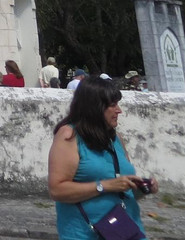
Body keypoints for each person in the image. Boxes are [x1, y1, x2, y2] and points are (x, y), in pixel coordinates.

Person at [48, 76, 159, 239]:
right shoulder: (69, 136)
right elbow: (57, 190)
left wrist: (141, 188)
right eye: (113, 105)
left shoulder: (115, 138)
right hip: (85, 233)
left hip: (125, 232)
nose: (119, 110)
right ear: (95, 107)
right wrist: (104, 186)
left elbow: (121, 190)